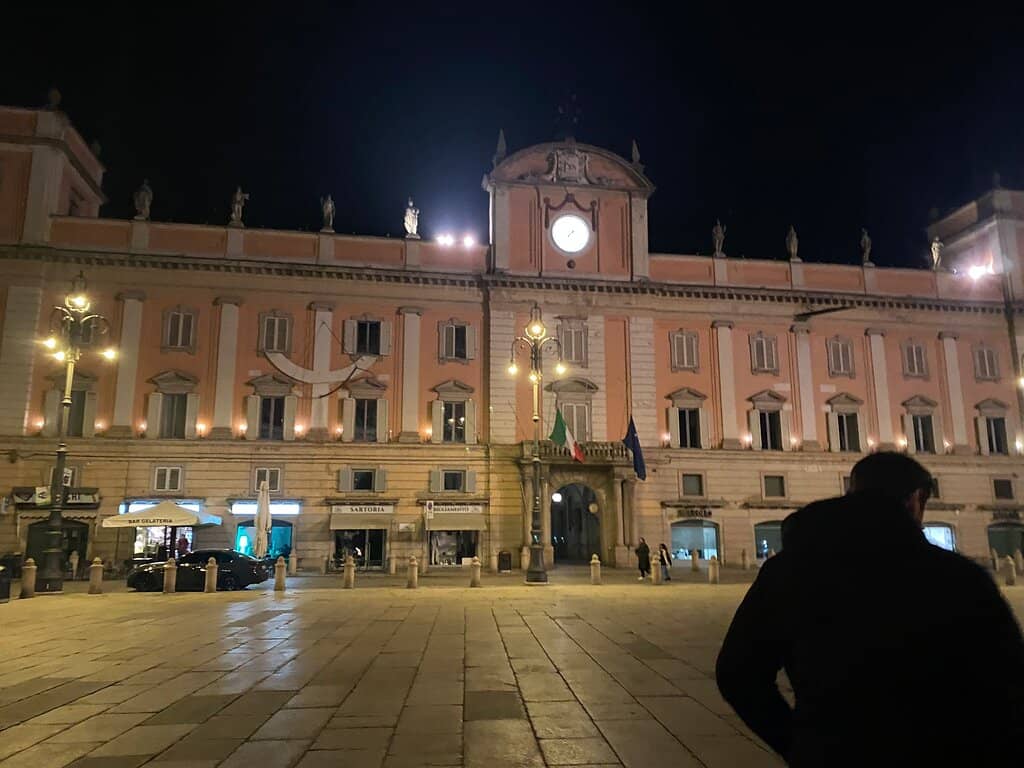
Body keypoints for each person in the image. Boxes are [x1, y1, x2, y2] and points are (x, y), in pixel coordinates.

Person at [715, 452, 1024, 766]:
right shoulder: (958, 577)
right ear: (915, 500)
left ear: (851, 493)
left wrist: (799, 743)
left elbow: (737, 673)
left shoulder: (788, 570)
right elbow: (1007, 685)